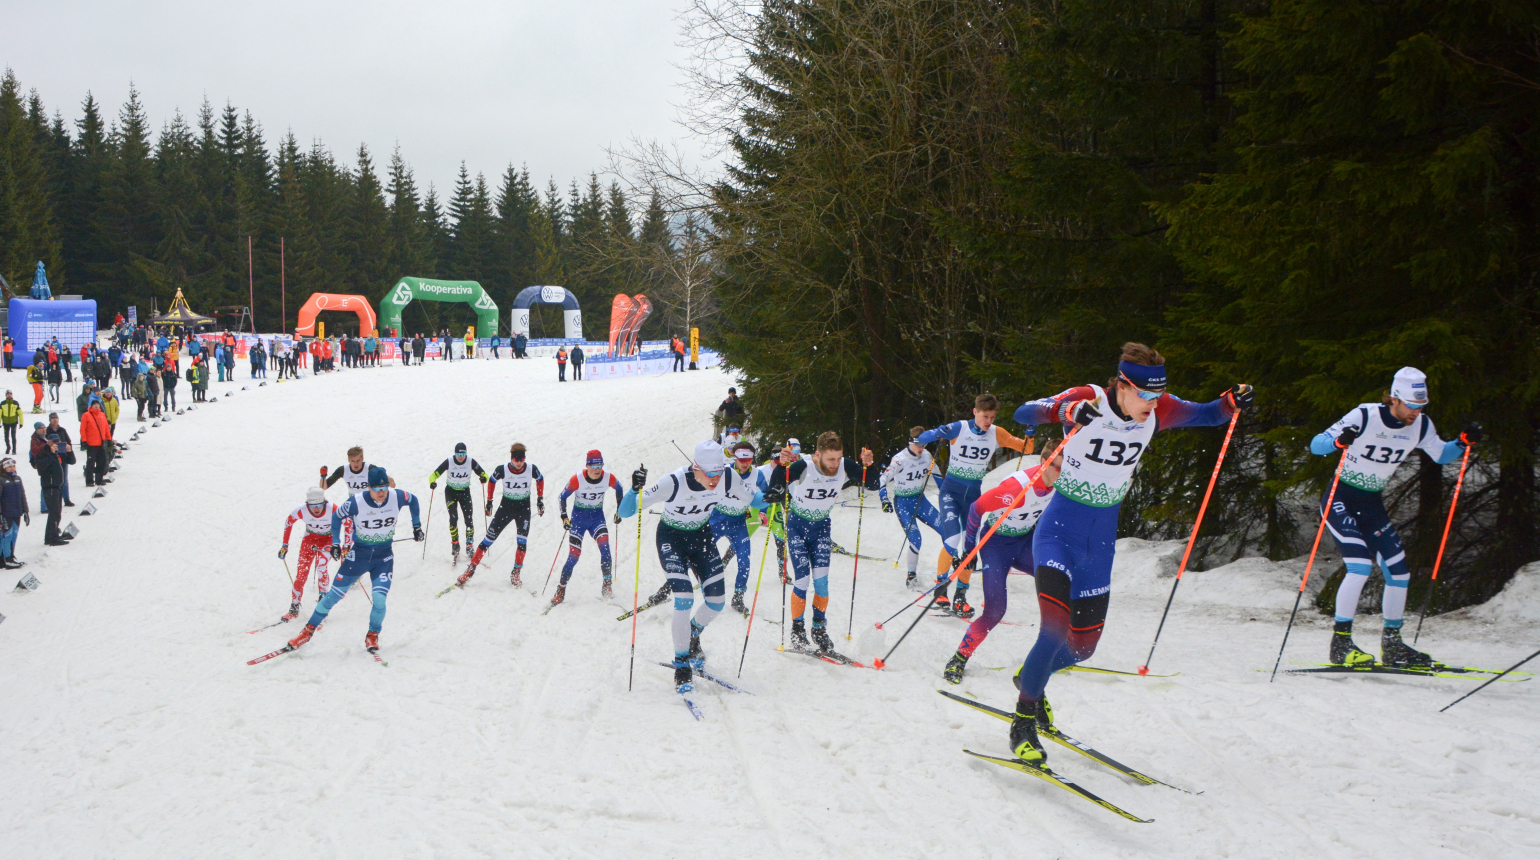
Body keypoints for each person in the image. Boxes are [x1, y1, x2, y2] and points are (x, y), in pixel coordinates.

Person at [1004, 342, 1248, 766]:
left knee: (1083, 649)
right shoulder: (1087, 399)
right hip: (1058, 533)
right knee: (1053, 631)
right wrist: (1062, 413)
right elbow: (1023, 414)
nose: (1153, 406)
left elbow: (1210, 413)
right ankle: (1023, 721)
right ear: (1122, 386)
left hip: (1099, 545)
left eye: (1158, 396)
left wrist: (1232, 400)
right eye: (1146, 396)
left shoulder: (1160, 409)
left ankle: (1031, 675)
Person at [1310, 367, 1477, 668]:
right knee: (1360, 567)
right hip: (1341, 498)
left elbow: (1441, 454)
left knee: (1399, 572)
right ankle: (1341, 643)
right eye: (1411, 406)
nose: (1416, 412)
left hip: (1371, 503)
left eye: (1421, 406)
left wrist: (1462, 443)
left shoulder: (1421, 425)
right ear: (1394, 399)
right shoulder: (1364, 415)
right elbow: (1315, 445)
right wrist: (1337, 442)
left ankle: (1393, 645)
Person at [617, 440, 742, 693]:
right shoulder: (673, 481)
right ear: (696, 468)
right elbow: (626, 511)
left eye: (719, 472)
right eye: (710, 474)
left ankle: (693, 633)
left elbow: (756, 498)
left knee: (717, 602)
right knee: (683, 598)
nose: (716, 479)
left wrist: (775, 490)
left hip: (702, 537)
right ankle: (682, 662)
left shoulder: (728, 477)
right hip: (672, 538)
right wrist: (633, 489)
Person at [942, 450, 1062, 684]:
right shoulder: (1015, 488)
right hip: (996, 545)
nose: (1063, 473)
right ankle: (958, 659)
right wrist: (968, 549)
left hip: (1025, 542)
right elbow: (977, 508)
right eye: (1058, 467)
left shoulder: (1060, 484)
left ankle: (1056, 652)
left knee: (1057, 583)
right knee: (995, 611)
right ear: (1044, 463)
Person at [915, 393, 1034, 616]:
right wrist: (936, 432)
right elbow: (921, 439)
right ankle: (940, 588)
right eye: (985, 416)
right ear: (975, 412)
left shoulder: (996, 433)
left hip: (973, 497)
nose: (988, 421)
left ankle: (961, 596)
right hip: (950, 492)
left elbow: (1026, 448)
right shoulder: (960, 428)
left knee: (970, 548)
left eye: (992, 416)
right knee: (952, 539)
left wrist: (1030, 435)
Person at [285, 468, 423, 655]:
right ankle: (307, 632)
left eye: (384, 487)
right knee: (332, 596)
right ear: (368, 487)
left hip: (383, 558)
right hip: (358, 556)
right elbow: (336, 517)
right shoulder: (356, 502)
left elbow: (413, 500)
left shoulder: (396, 496)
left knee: (380, 600)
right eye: (377, 488)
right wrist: (336, 542)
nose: (381, 492)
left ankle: (372, 635)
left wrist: (416, 526)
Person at [764, 431, 878, 654]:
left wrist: (869, 465)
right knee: (803, 580)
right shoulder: (804, 466)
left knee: (822, 583)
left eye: (838, 458)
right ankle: (798, 630)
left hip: (821, 528)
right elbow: (775, 490)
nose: (835, 464)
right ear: (818, 454)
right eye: (830, 459)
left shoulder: (844, 466)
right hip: (797, 526)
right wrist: (781, 465)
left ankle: (818, 629)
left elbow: (872, 483)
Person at [460, 443, 545, 587]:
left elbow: (540, 479)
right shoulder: (503, 469)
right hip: (506, 508)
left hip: (523, 510)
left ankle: (516, 572)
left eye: (522, 459)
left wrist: (540, 500)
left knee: (522, 543)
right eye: (516, 459)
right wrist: (489, 501)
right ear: (511, 458)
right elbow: (492, 481)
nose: (519, 463)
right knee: (488, 540)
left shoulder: (531, 468)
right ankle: (471, 569)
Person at [553, 450, 626, 604]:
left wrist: (619, 510)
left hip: (596, 519)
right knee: (574, 555)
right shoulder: (577, 479)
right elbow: (562, 497)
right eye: (594, 465)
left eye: (600, 465)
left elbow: (619, 489)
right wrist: (564, 517)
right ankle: (560, 590)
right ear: (587, 466)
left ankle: (607, 584)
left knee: (605, 548)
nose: (597, 469)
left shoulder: (608, 477)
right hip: (578, 521)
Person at [880, 427, 945, 589]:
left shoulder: (927, 455)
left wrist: (947, 496)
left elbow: (937, 476)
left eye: (924, 445)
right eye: (919, 445)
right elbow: (883, 479)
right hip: (903, 503)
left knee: (945, 529)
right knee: (916, 540)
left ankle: (955, 562)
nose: (922, 449)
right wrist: (884, 500)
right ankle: (911, 575)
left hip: (920, 500)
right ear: (911, 442)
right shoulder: (900, 459)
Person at [710, 441, 768, 616]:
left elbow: (766, 496)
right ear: (735, 458)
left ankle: (738, 597)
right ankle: (668, 588)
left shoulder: (757, 475)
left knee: (745, 561)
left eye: (749, 459)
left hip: (738, 523)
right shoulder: (724, 470)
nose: (745, 463)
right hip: (717, 518)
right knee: (698, 552)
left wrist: (763, 513)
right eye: (741, 459)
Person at [278, 487, 337, 619]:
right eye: (312, 506)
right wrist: (285, 545)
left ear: (324, 502)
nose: (316, 509)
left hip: (328, 540)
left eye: (319, 505)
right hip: (309, 540)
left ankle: (322, 607)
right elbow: (288, 522)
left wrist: (343, 546)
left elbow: (348, 522)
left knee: (321, 566)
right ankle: (294, 608)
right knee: (301, 574)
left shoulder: (332, 508)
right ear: (307, 504)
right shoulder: (302, 510)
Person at [427, 442, 490, 560]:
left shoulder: (471, 461)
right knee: (453, 518)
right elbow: (433, 475)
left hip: (464, 493)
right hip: (450, 493)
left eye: (463, 454)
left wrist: (483, 478)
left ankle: (469, 545)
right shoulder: (449, 461)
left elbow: (484, 474)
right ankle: (455, 544)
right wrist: (432, 482)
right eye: (458, 454)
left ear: (466, 453)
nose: (460, 457)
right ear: (454, 453)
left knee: (469, 519)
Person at [34, 432, 75, 545]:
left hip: (58, 485)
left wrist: (69, 451)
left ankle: (49, 536)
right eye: (53, 442)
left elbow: (72, 461)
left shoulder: (60, 452)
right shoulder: (44, 453)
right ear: (48, 442)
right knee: (54, 512)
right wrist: (52, 454)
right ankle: (53, 537)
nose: (56, 444)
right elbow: (41, 469)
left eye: (58, 442)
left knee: (56, 512)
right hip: (49, 486)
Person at [322, 446, 396, 494]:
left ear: (362, 459)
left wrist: (389, 479)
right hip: (353, 498)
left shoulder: (370, 468)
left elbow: (385, 479)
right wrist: (323, 476)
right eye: (353, 461)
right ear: (348, 460)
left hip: (368, 497)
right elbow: (324, 487)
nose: (356, 464)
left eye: (358, 461)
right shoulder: (342, 470)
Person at [0, 456, 31, 567]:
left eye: (13, 466)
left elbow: (22, 496)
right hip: (6, 513)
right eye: (9, 467)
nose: (12, 468)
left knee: (14, 535)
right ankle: (5, 558)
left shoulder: (18, 479)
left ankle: (11, 556)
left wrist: (26, 511)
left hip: (17, 512)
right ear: (4, 468)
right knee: (6, 536)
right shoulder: (2, 480)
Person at [79, 400, 112, 488]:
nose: (96, 406)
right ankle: (89, 481)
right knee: (90, 463)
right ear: (91, 406)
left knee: (102, 462)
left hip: (101, 443)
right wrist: (84, 440)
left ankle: (99, 479)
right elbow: (83, 429)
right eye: (94, 405)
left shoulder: (102, 415)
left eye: (97, 404)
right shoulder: (86, 415)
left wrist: (109, 439)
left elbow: (106, 428)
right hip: (91, 444)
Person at [0, 391, 20, 455]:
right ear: (6, 395)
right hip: (5, 422)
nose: (9, 395)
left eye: (10, 394)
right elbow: (0, 414)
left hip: (13, 422)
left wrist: (21, 422)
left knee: (13, 436)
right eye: (8, 394)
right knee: (6, 436)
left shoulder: (15, 403)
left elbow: (20, 413)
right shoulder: (3, 403)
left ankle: (14, 449)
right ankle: (8, 447)